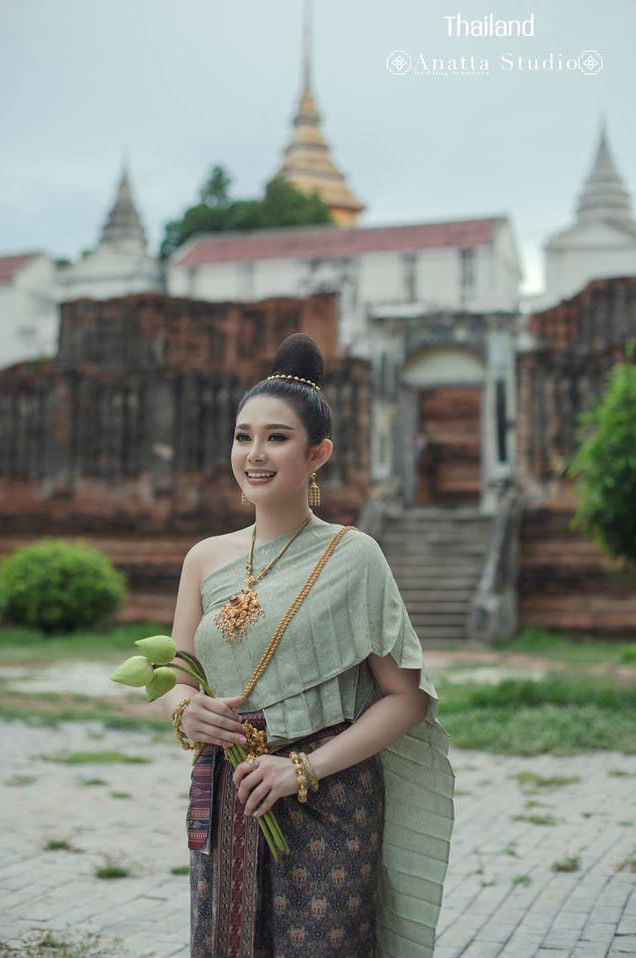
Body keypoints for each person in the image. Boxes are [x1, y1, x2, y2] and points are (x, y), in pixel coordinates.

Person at [159, 332, 455, 957]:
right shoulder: (204, 559)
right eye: (243, 436)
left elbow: (406, 699)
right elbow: (178, 677)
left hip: (330, 796)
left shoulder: (354, 556)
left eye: (277, 437)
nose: (255, 454)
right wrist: (186, 710)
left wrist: (302, 769)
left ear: (317, 454)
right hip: (233, 792)